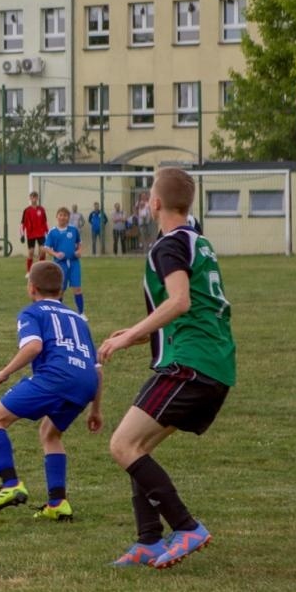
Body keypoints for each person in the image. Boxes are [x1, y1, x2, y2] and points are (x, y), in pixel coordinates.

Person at [99, 167, 236, 569]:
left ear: (155, 203)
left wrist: (128, 336)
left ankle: (187, 527)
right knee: (136, 448)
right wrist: (138, 334)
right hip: (209, 363)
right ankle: (148, 540)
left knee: (123, 445)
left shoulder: (168, 245)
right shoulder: (197, 241)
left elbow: (180, 301)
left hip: (190, 365)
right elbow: (192, 307)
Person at [0, 260, 102, 521]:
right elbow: (97, 369)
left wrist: (4, 372)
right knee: (50, 434)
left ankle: (10, 484)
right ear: (62, 290)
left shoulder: (32, 312)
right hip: (86, 383)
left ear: (32, 288)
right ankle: (58, 502)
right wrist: (96, 409)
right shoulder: (78, 319)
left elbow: (33, 347)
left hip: (56, 377)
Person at [41, 205, 86, 317]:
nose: (63, 217)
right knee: (60, 289)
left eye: (65, 215)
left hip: (74, 263)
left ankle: (81, 313)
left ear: (68, 217)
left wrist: (79, 251)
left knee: (77, 288)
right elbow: (46, 248)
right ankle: (58, 313)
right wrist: (56, 254)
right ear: (57, 217)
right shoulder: (53, 232)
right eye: (60, 215)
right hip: (60, 264)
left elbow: (79, 243)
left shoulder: (73, 230)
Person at [20, 191, 48, 273]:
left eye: (35, 197)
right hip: (31, 234)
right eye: (32, 197)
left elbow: (45, 222)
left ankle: (41, 270)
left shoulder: (41, 209)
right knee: (31, 253)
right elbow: (23, 223)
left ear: (37, 198)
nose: (34, 199)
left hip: (41, 233)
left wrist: (48, 232)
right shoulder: (27, 210)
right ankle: (29, 271)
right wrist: (22, 235)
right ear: (30, 198)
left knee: (42, 251)